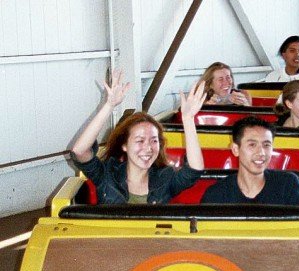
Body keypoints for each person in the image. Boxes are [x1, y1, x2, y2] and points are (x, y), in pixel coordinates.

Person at [70, 70, 206, 205]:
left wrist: (188, 119)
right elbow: (80, 151)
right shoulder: (108, 175)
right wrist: (109, 105)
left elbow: (195, 169)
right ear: (125, 145)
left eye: (154, 141)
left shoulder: (165, 178)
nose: (148, 148)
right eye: (140, 140)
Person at [201, 116, 299, 207]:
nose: (261, 152)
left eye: (266, 145)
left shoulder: (289, 185)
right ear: (235, 149)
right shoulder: (216, 196)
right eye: (252, 145)